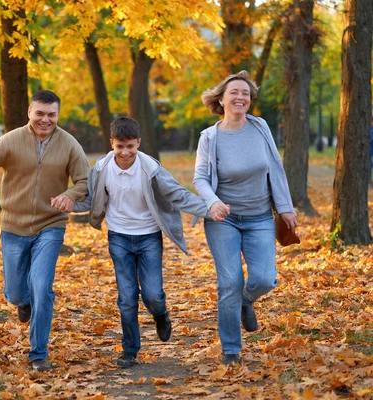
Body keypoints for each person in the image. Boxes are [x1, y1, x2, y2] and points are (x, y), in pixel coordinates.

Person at [0, 90, 90, 372]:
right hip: (13, 226)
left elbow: (84, 180)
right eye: (40, 113)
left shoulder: (70, 144)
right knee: (16, 292)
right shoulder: (10, 140)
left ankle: (38, 353)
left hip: (51, 225)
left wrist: (70, 194)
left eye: (51, 114)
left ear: (58, 115)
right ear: (30, 113)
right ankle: (22, 302)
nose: (45, 120)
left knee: (42, 287)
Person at [73, 116, 227, 368]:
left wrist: (209, 207)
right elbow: (92, 199)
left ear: (138, 143)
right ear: (111, 143)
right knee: (126, 297)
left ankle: (161, 315)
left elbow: (177, 194)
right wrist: (64, 205)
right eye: (119, 146)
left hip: (148, 238)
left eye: (130, 146)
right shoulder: (101, 169)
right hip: (119, 237)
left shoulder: (150, 169)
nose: (125, 152)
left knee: (153, 294)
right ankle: (129, 349)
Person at [193, 71, 298, 365]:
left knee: (265, 278)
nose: (241, 98)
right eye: (234, 93)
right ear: (221, 99)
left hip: (260, 217)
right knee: (229, 283)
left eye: (246, 94)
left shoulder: (260, 127)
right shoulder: (210, 137)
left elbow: (275, 168)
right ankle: (230, 349)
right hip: (223, 220)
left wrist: (286, 206)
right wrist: (212, 202)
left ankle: (246, 299)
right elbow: (200, 178)